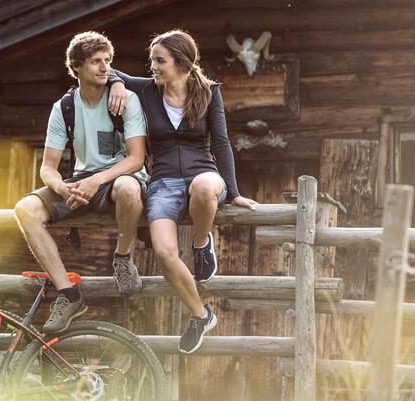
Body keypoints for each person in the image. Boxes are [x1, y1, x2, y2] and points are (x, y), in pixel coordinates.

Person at [107, 29, 259, 353]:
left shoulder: (209, 92)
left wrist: (233, 193)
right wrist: (118, 83)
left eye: (160, 61)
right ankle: (200, 315)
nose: (153, 66)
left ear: (182, 63)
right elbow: (108, 71)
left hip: (203, 174)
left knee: (204, 187)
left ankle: (202, 244)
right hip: (162, 183)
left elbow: (221, 141)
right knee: (164, 252)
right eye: (152, 60)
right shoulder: (147, 91)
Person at [14, 31, 148, 334]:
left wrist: (95, 182)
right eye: (95, 62)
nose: (105, 68)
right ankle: (68, 294)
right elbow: (48, 168)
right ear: (76, 68)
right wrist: (62, 188)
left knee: (128, 187)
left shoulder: (126, 99)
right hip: (81, 180)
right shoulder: (64, 107)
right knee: (25, 210)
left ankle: (123, 257)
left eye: (107, 61)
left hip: (119, 178)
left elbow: (136, 158)